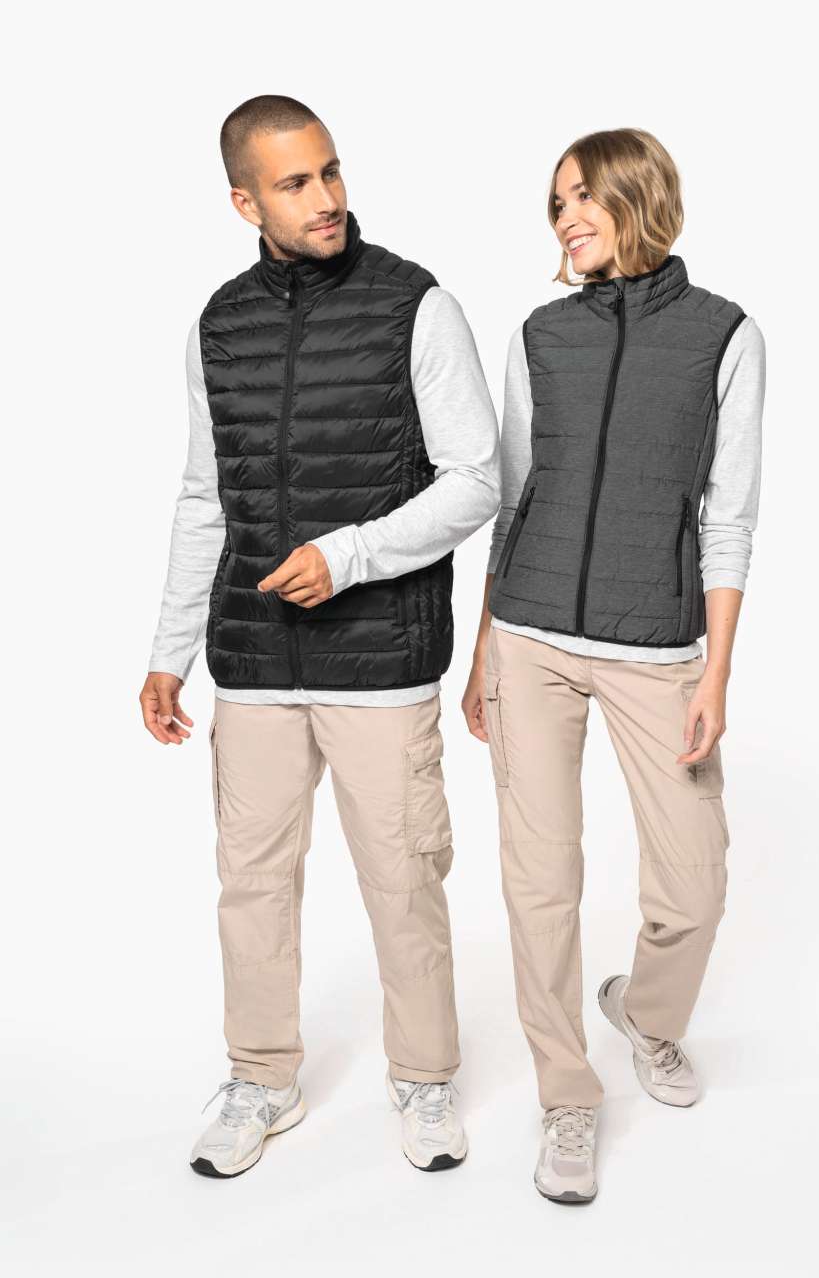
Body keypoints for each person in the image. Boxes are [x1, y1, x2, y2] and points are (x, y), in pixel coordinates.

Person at [140, 95, 501, 1179]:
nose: (327, 197)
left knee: (403, 879)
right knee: (250, 882)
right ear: (244, 201)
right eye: (296, 183)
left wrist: (349, 556)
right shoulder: (218, 324)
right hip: (253, 662)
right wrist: (168, 651)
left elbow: (476, 478)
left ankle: (425, 1077)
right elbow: (205, 496)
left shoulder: (414, 305)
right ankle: (261, 1076)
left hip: (380, 658)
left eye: (331, 171)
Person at [462, 128, 765, 1203]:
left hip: (658, 650)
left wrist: (714, 673)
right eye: (556, 203)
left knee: (693, 886)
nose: (566, 219)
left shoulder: (725, 335)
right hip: (529, 638)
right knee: (539, 884)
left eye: (583, 196)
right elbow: (509, 500)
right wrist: (481, 646)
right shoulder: (540, 335)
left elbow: (728, 517)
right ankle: (567, 1095)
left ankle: (645, 1015)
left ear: (637, 196)